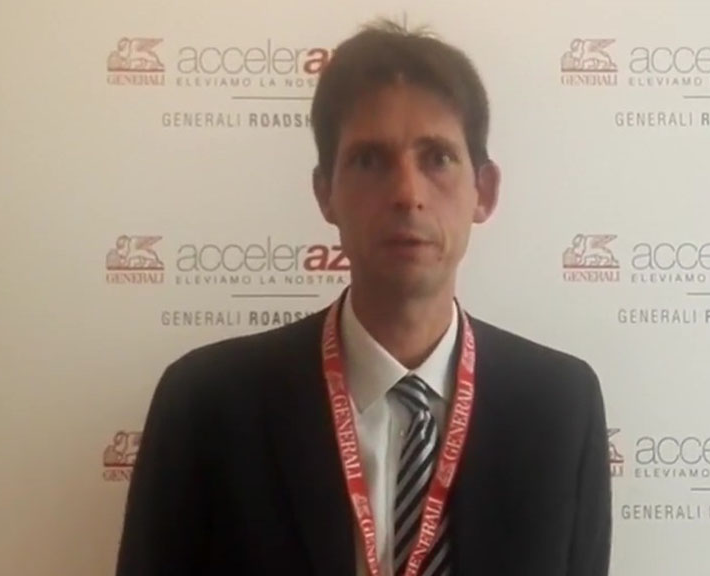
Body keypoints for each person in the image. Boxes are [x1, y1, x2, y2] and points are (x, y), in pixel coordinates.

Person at [115, 19, 611, 576]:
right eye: (370, 160)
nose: (407, 193)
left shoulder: (561, 408)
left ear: (484, 191)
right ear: (325, 193)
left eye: (437, 158)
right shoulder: (206, 404)